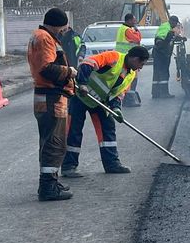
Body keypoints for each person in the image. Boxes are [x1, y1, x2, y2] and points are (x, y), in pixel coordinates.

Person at [61, 46, 150, 178]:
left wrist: (116, 108)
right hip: (80, 96)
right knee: (74, 130)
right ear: (135, 59)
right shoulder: (113, 57)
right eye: (141, 64)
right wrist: (83, 83)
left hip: (99, 102)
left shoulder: (131, 74)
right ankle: (69, 167)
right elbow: (87, 64)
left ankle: (112, 164)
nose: (141, 67)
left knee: (108, 129)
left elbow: (118, 94)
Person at [27, 7, 77, 201]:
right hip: (52, 97)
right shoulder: (45, 38)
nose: (64, 32)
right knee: (54, 143)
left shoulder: (38, 36)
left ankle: (50, 182)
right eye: (63, 28)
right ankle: (48, 187)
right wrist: (69, 72)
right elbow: (47, 69)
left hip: (45, 95)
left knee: (48, 141)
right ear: (56, 25)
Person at [116, 13, 142, 106]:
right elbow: (137, 39)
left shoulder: (123, 28)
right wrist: (137, 30)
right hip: (127, 58)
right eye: (134, 20)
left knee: (127, 78)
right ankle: (129, 99)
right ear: (129, 20)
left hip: (125, 57)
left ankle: (127, 97)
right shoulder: (127, 30)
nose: (135, 22)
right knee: (130, 78)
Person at [151, 15, 180, 98]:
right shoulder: (165, 27)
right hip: (161, 54)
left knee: (158, 73)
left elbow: (169, 39)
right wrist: (162, 46)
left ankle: (156, 93)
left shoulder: (169, 29)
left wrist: (179, 38)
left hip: (161, 53)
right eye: (175, 23)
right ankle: (164, 93)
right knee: (163, 73)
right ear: (172, 21)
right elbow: (160, 39)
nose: (175, 25)